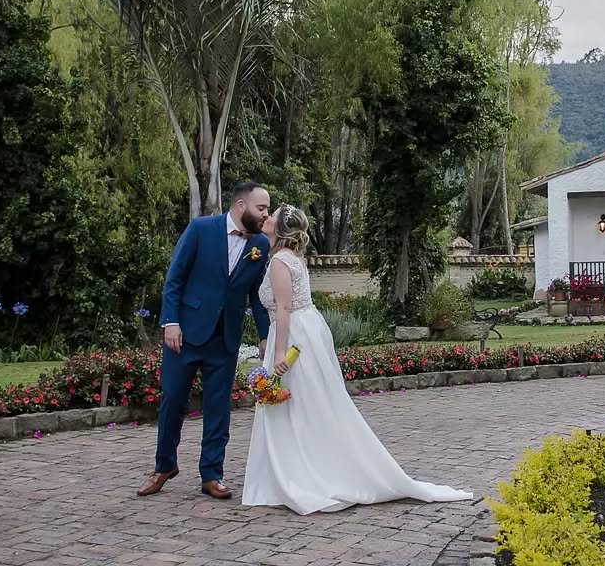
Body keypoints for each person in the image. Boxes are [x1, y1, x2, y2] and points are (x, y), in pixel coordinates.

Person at [242, 205, 473, 513]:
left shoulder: (280, 262)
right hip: (303, 328)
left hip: (293, 335)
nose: (266, 217)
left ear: (280, 228)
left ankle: (303, 471)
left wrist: (280, 353)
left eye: (272, 215)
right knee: (307, 404)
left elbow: (283, 309)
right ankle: (302, 463)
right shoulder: (291, 257)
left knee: (297, 404)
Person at [137, 182, 273, 500]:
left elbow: (258, 295)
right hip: (185, 334)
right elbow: (175, 278)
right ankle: (164, 466)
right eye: (261, 208)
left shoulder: (260, 246)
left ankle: (212, 474)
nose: (266, 215)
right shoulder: (201, 229)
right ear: (240, 205)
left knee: (218, 407)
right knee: (172, 400)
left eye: (267, 209)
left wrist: (265, 335)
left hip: (225, 339)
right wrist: (170, 322)